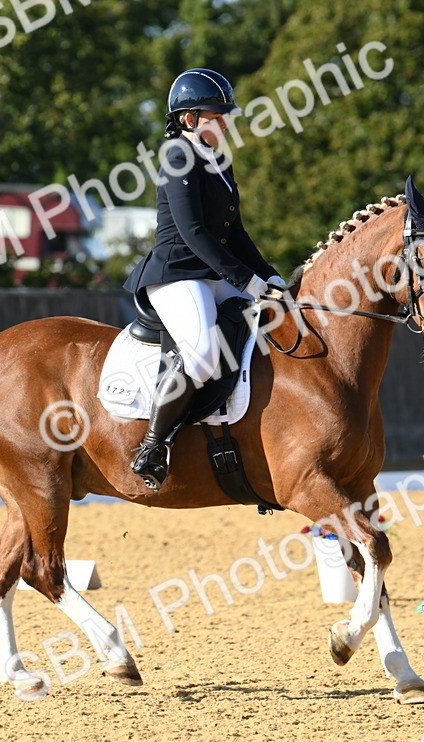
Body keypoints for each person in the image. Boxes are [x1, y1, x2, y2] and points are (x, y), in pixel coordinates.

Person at [122, 68, 285, 490]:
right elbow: (194, 233)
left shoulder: (221, 159)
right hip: (178, 272)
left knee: (276, 320)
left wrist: (270, 276)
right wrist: (245, 280)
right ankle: (153, 447)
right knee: (200, 352)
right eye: (217, 114)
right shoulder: (177, 156)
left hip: (214, 272)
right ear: (190, 118)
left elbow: (236, 233)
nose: (225, 121)